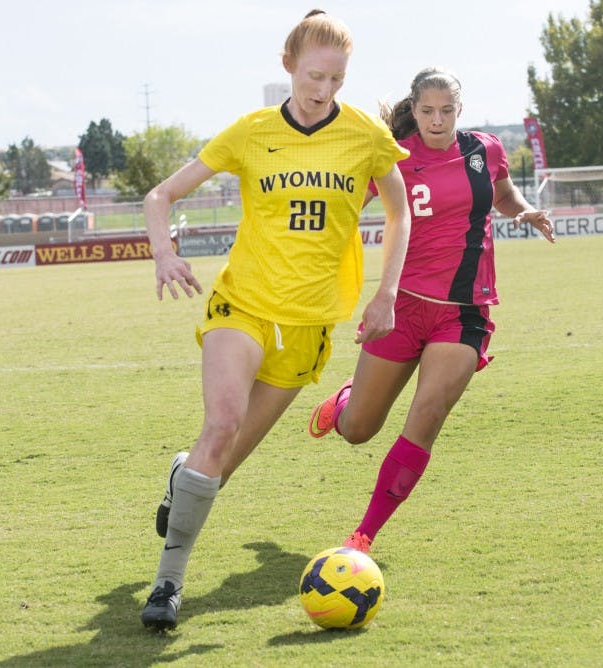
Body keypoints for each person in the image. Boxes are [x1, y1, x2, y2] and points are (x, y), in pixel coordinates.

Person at [139, 9, 412, 631]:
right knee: (222, 423)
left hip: (310, 326)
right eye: (314, 75)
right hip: (244, 305)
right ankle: (166, 584)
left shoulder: (366, 136)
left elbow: (400, 214)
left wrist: (385, 293)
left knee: (222, 462)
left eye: (337, 80)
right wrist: (163, 252)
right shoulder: (251, 131)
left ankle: (186, 478)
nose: (323, 90)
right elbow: (161, 195)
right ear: (288, 65)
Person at [307, 68, 555, 554]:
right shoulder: (392, 157)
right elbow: (347, 204)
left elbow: (502, 195)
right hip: (400, 308)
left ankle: (363, 536)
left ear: (459, 111)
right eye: (427, 112)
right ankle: (343, 403)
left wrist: (522, 209)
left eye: (446, 111)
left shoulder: (486, 151)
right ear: (414, 111)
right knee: (358, 430)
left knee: (428, 413)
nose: (436, 121)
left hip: (464, 313)